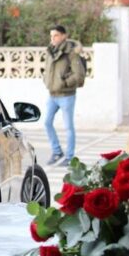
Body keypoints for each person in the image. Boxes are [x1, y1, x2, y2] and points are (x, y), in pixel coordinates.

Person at [42, 24, 85, 167]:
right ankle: (57, 152)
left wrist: (64, 83)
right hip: (52, 95)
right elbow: (47, 70)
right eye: (51, 36)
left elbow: (78, 75)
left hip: (66, 95)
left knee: (68, 127)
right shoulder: (50, 51)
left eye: (56, 35)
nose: (53, 38)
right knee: (47, 122)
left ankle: (70, 157)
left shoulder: (71, 52)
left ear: (63, 36)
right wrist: (46, 80)